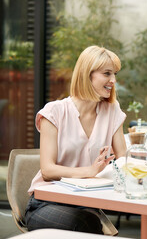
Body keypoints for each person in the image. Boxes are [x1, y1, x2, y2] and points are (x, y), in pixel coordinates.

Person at [24, 45, 127, 234]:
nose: (113, 80)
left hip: (86, 202)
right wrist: (89, 171)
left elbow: (123, 159)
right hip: (46, 203)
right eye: (107, 74)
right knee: (86, 224)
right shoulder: (54, 112)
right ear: (88, 74)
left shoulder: (112, 110)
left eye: (114, 74)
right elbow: (47, 170)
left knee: (88, 221)